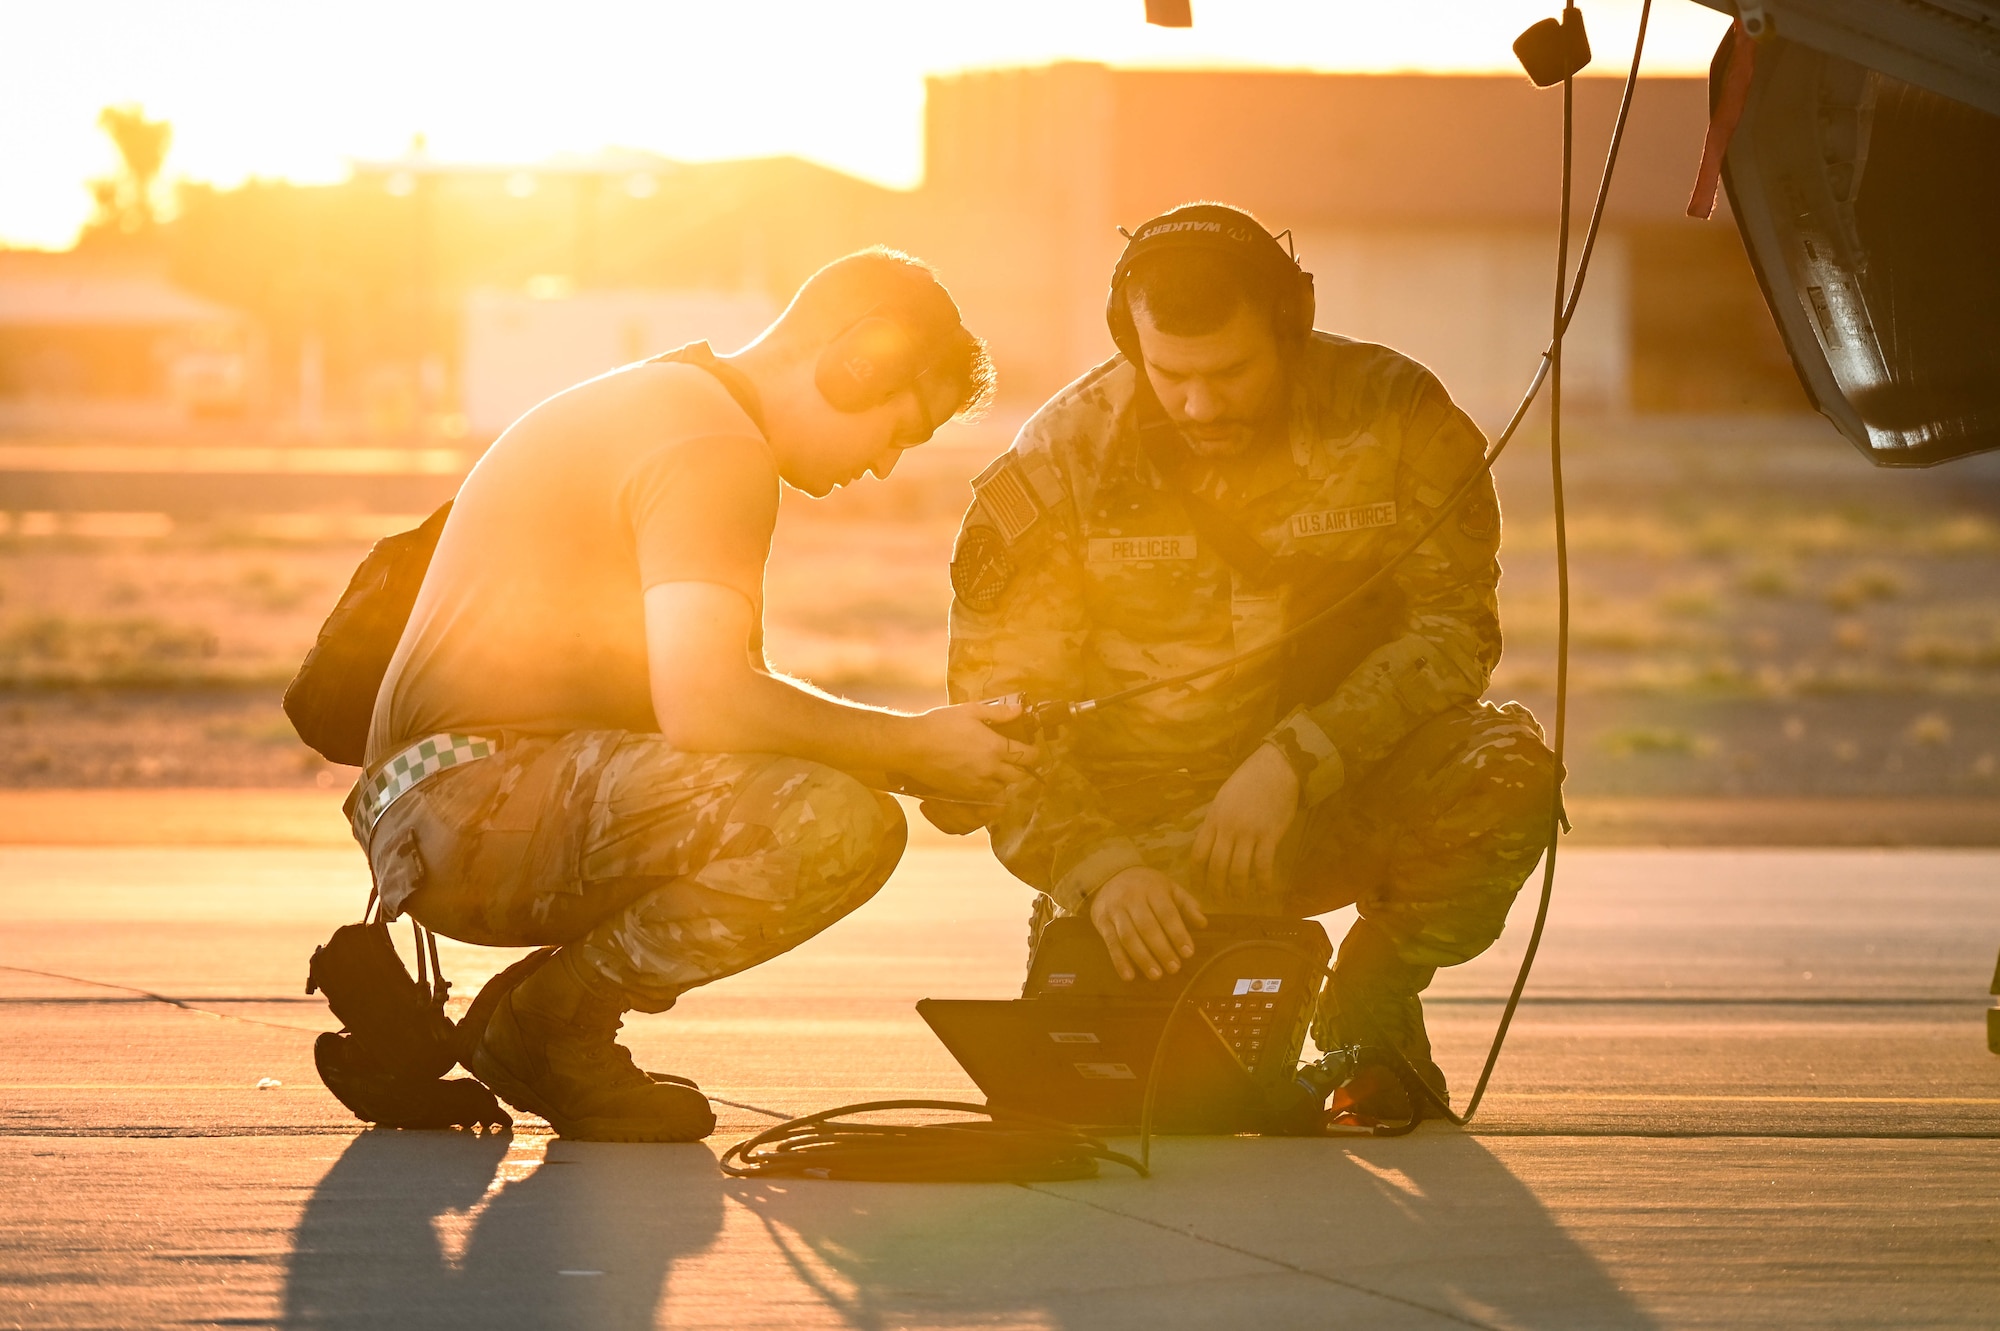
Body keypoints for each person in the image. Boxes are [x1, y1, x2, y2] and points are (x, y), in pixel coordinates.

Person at [352, 249, 1036, 1141]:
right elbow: (707, 705)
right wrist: (910, 747)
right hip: (468, 804)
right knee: (837, 824)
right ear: (854, 363)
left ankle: (542, 1018)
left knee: (824, 790)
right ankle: (552, 1025)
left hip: (441, 802)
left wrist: (923, 759)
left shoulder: (670, 398)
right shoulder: (715, 448)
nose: (883, 468)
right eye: (899, 431)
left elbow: (722, 721)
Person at [933, 203, 1559, 1121]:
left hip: (1327, 798)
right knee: (1151, 1098)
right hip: (1142, 827)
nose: (1200, 403)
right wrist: (1099, 867)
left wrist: (1298, 758)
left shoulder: (1395, 417)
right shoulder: (1062, 458)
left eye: (1230, 371)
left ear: (1288, 324)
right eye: (1171, 374)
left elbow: (1453, 633)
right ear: (1128, 338)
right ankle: (1088, 930)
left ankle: (1371, 997)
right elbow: (999, 714)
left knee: (1507, 772)